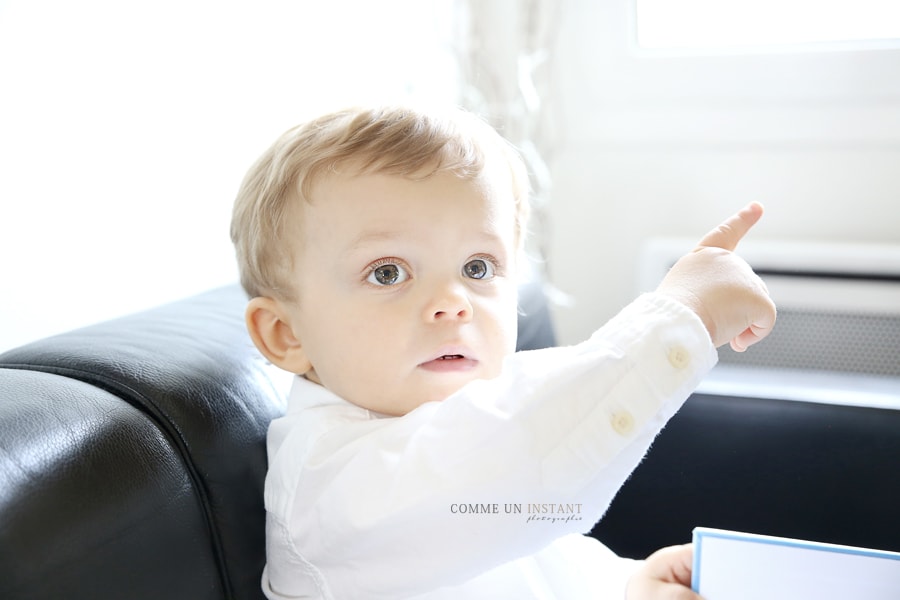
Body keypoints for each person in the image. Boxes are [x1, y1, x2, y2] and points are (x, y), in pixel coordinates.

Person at [230, 104, 776, 600]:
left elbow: (535, 556)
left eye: (478, 268)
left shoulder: (466, 421)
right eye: (388, 272)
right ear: (286, 334)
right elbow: (519, 460)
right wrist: (685, 313)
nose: (453, 303)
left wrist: (628, 584)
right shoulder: (331, 486)